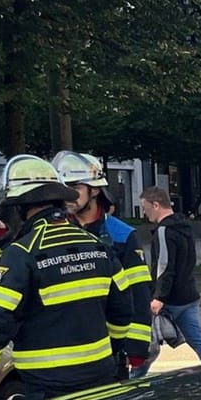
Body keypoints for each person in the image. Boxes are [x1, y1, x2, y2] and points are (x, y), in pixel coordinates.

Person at [0, 154, 145, 400]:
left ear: (21, 207)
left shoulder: (22, 252)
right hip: (100, 375)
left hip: (46, 386)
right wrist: (114, 349)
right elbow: (123, 308)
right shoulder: (98, 246)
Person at [55, 151, 154, 370]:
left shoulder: (122, 235)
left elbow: (138, 293)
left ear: (95, 189)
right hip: (65, 349)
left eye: (75, 187)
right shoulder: (54, 232)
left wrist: (136, 348)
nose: (68, 196)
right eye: (63, 188)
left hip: (109, 349)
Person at [139, 186, 201, 365]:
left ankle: (135, 379)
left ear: (156, 205)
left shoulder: (163, 231)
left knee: (149, 343)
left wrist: (158, 297)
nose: (144, 213)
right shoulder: (184, 226)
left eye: (145, 207)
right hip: (188, 295)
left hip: (169, 300)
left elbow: (164, 266)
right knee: (197, 340)